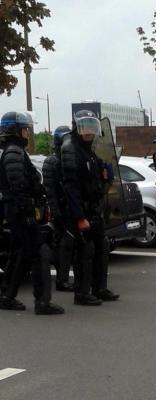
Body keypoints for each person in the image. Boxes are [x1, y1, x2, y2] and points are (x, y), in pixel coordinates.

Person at [0, 111, 64, 315]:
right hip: (19, 210)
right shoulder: (13, 152)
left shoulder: (13, 150)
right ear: (16, 130)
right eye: (26, 129)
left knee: (21, 253)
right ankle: (42, 302)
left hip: (17, 209)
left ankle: (7, 296)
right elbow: (17, 184)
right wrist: (28, 210)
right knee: (40, 252)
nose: (28, 133)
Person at [61, 110, 119, 305]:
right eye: (84, 126)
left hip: (93, 208)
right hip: (81, 210)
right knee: (85, 252)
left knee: (101, 247)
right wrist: (79, 216)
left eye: (91, 127)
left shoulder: (88, 150)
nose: (88, 131)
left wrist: (105, 173)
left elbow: (95, 176)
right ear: (77, 127)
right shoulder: (71, 148)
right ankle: (82, 293)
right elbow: (71, 186)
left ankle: (99, 288)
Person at [43, 125, 75, 292]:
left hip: (71, 208)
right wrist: (57, 213)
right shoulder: (52, 161)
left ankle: (69, 278)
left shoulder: (68, 159)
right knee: (63, 244)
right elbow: (50, 191)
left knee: (71, 245)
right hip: (60, 210)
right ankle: (61, 280)